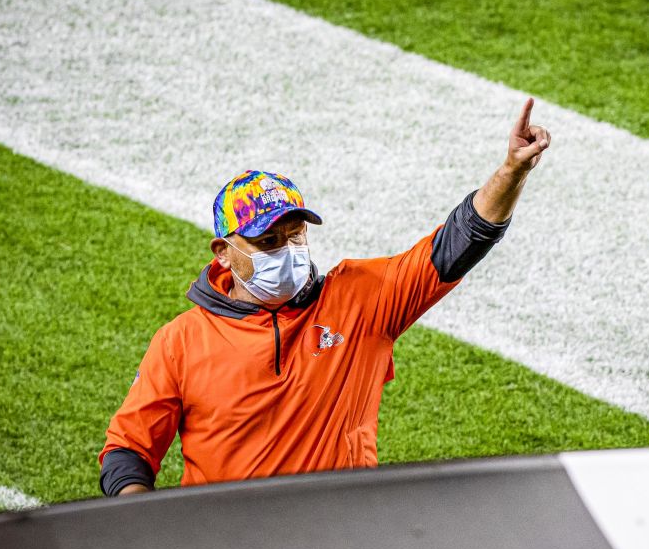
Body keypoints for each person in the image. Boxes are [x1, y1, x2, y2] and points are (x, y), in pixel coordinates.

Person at [98, 98, 552, 496]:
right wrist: (144, 521)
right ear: (224, 253)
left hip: (344, 541)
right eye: (269, 242)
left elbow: (458, 243)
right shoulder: (180, 342)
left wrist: (512, 171)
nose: (289, 253)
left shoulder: (360, 300)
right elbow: (128, 450)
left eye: (296, 236)